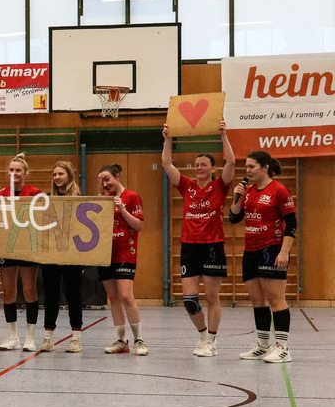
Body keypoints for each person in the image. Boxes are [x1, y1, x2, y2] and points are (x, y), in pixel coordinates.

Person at [163, 121, 235, 357]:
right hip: (189, 246)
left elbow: (232, 162)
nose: (199, 167)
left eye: (204, 164)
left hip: (213, 246)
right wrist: (168, 139)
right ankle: (202, 336)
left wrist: (224, 136)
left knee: (212, 297)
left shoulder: (219, 186)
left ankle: (212, 341)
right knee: (190, 300)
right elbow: (166, 163)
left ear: (213, 168)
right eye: (196, 165)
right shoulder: (187, 186)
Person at [230, 150, 296, 363]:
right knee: (257, 300)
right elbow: (234, 217)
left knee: (276, 299)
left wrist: (284, 251)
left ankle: (283, 348)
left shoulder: (279, 190)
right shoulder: (248, 191)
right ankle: (262, 344)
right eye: (246, 167)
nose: (247, 171)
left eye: (251, 167)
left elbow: (292, 224)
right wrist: (237, 197)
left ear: (265, 167)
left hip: (271, 249)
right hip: (250, 250)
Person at [99, 164, 148, 356]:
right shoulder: (102, 200)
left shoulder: (131, 196)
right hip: (106, 254)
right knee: (113, 298)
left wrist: (122, 209)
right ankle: (121, 340)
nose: (104, 184)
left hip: (125, 252)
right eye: (101, 180)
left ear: (117, 177)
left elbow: (139, 226)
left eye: (107, 179)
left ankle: (139, 340)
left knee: (126, 296)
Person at [0, 153, 43, 352]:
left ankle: (30, 337)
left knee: (29, 290)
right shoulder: (1, 194)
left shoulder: (34, 193)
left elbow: (40, 220)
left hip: (26, 246)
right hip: (7, 246)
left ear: (25, 173)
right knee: (8, 292)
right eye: (11, 170)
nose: (14, 173)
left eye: (18, 170)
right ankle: (13, 336)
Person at [41, 161, 86, 353]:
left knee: (73, 295)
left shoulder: (79, 198)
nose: (57, 178)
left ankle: (76, 338)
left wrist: (69, 254)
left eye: (61, 174)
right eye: (54, 174)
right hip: (51, 255)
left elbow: (81, 229)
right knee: (50, 296)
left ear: (69, 175)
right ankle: (48, 338)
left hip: (72, 256)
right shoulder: (47, 200)